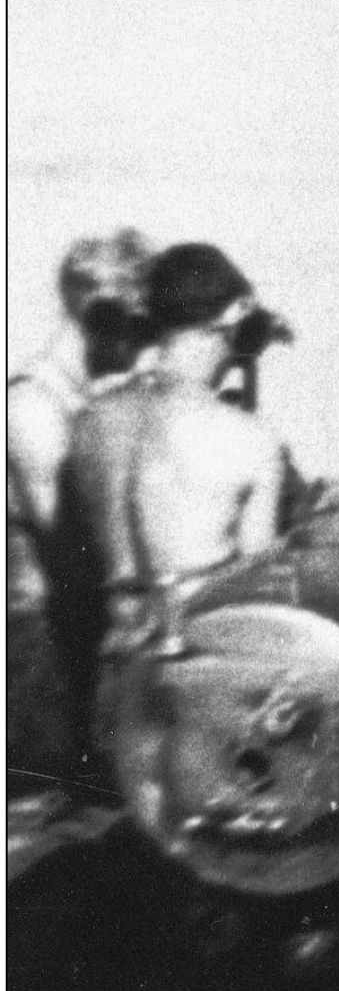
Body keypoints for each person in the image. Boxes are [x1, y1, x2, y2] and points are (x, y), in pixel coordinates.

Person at [67, 242, 290, 663]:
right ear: (233, 314)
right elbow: (258, 595)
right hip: (197, 659)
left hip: (116, 658)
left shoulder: (88, 422)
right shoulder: (251, 440)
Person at [7, 230, 155, 785]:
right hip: (38, 664)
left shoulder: (85, 395)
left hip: (78, 643)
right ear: (102, 306)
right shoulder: (32, 406)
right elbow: (69, 548)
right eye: (137, 319)